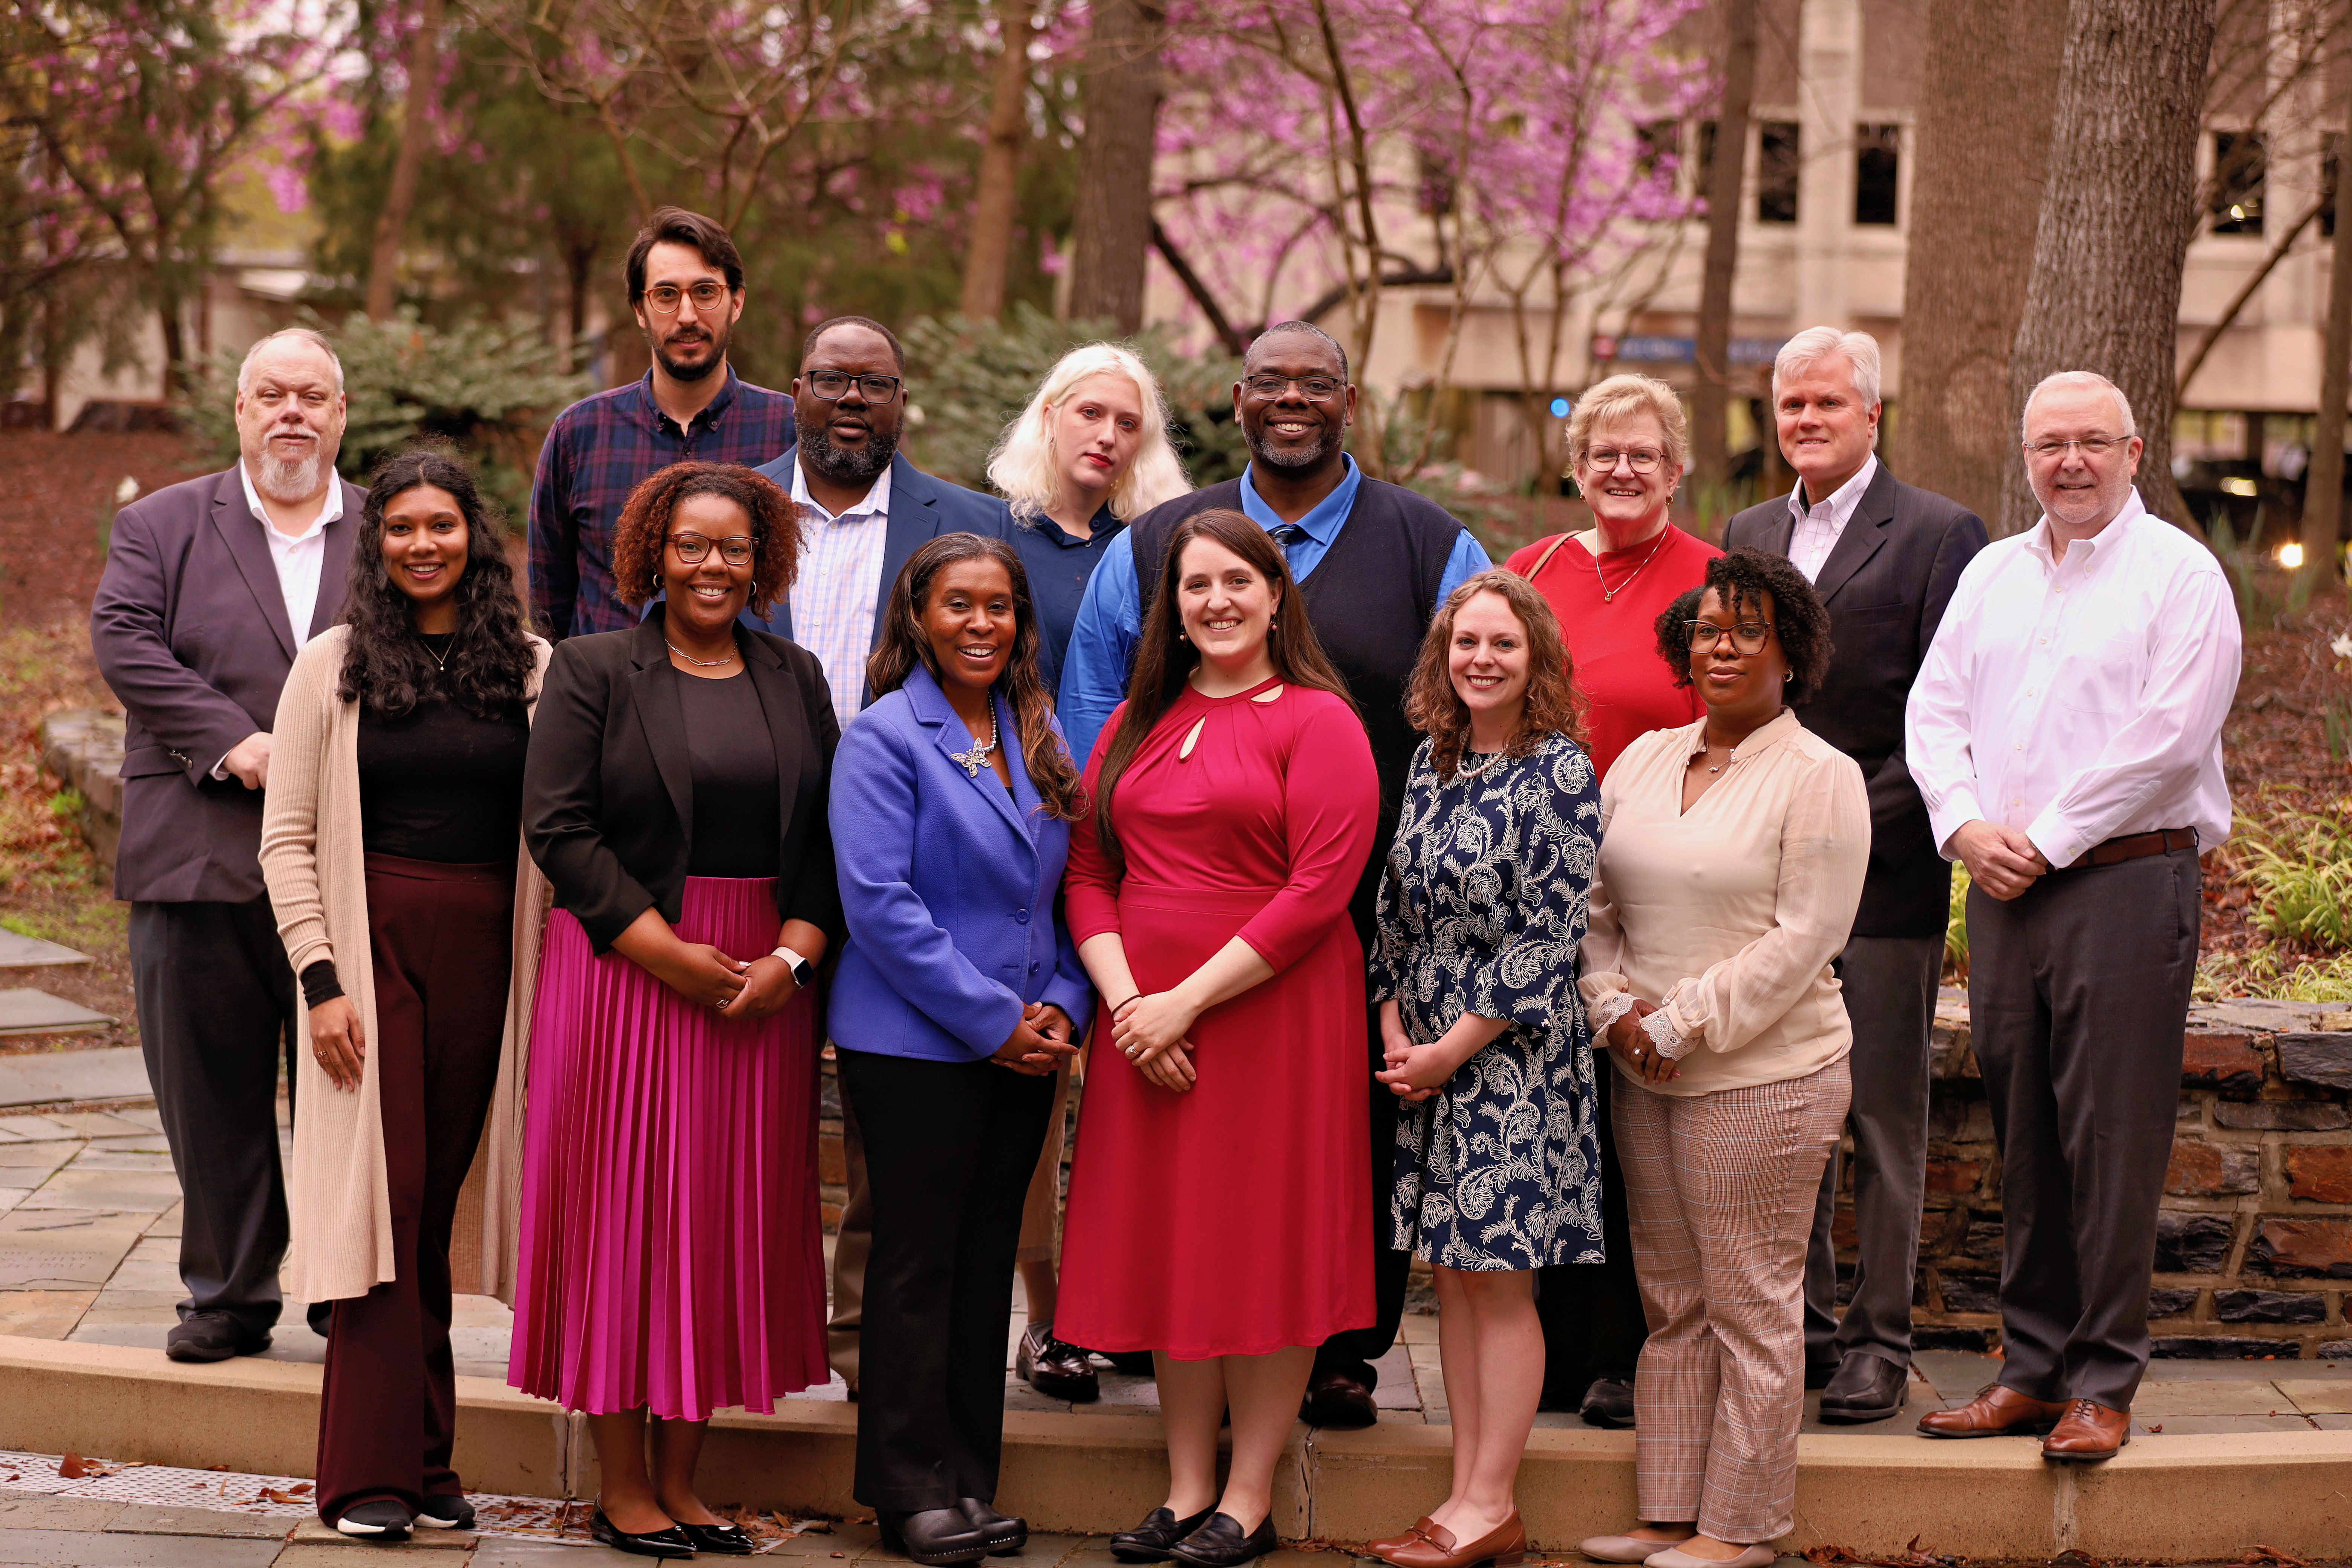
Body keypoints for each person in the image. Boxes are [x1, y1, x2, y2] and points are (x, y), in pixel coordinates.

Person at [1059, 320, 1490, 1428]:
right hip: (1167, 904)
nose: (1291, 400)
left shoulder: (1429, 542)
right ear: (1237, 401)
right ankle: (1186, 1331)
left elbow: (1483, 702)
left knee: (1346, 1130)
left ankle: (1346, 1347)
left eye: (1316, 383)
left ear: (1351, 402)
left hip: (1371, 902)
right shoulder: (1154, 543)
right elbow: (1093, 706)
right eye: (1270, 383)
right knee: (1195, 1141)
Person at [1906, 372, 2239, 1463]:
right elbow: (1936, 707)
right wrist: (1961, 824)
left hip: (2126, 883)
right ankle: (2033, 1371)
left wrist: (2045, 836)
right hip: (2003, 886)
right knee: (2028, 1141)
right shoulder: (1994, 574)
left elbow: (2169, 740)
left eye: (2093, 442)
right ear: (2027, 454)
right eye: (2051, 444)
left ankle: (2104, 1379)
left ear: (2135, 451)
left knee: (2113, 1137)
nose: (2071, 463)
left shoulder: (2180, 576)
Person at [511, 462, 840, 1560]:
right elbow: (558, 830)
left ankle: (687, 1481)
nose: (712, 566)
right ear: (654, 553)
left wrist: (790, 958)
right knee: (627, 1221)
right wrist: (670, 957)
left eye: (733, 548)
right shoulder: (597, 670)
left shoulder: (795, 677)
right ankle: (622, 1486)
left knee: (716, 1221)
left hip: (760, 991)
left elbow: (826, 845)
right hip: (627, 974)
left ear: (763, 561)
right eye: (691, 546)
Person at [1059, 510, 1379, 1567]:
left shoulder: (1320, 720)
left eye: (1237, 582)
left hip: (1270, 1017)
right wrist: (1127, 1007)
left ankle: (1248, 1498)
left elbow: (1320, 891)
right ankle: (1186, 1485)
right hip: (1143, 1021)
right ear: (1175, 609)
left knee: (1261, 1237)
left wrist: (1183, 1004)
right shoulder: (1135, 722)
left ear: (1276, 595)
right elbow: (1090, 873)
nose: (1217, 602)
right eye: (1196, 587)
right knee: (1173, 1242)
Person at [258, 449, 549, 1540]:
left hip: (487, 951)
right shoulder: (330, 665)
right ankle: (368, 1477)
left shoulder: (531, 668)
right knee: (385, 1199)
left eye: (442, 525)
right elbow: (285, 841)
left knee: (427, 1210)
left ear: (475, 536)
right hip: (365, 950)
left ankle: (428, 1463)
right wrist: (320, 979)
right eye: (399, 528)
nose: (422, 544)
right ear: (374, 544)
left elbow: (559, 832)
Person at [1575, 550, 1867, 1568]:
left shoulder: (1821, 776)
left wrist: (1681, 1022)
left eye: (1749, 628)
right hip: (1640, 1067)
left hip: (1763, 1074)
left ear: (1791, 649)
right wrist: (1615, 1012)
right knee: (1673, 1301)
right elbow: (1595, 910)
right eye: (1706, 629)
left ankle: (1740, 1528)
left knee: (1748, 1301)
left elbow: (1805, 938)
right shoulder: (1643, 761)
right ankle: (1666, 1513)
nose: (1724, 644)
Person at [1721, 328, 1988, 1424]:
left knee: (1879, 1119)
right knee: (1784, 1115)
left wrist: (1820, 821)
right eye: (1790, 405)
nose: (1806, 421)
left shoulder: (1937, 535)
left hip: (1881, 881)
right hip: (1759, 886)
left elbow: (1945, 717)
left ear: (1872, 415)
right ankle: (1806, 1333)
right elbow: (1733, 689)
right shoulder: (1745, 533)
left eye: (1828, 403)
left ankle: (1880, 1338)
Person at [750, 313, 1014, 1395]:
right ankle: (747, 1335)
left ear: (903, 401)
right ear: (796, 390)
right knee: (741, 1115)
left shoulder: (971, 521)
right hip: (750, 859)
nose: (852, 401)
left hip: (912, 856)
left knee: (886, 1135)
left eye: (875, 384)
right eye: (831, 381)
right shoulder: (732, 513)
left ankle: (866, 1354)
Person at [90, 326, 363, 1363]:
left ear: (342, 414)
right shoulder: (160, 525)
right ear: (240, 411)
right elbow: (125, 642)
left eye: (313, 396)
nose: (292, 412)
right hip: (196, 845)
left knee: (351, 1079)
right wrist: (233, 742)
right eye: (270, 395)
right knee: (209, 1082)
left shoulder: (389, 532)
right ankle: (231, 1292)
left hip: (351, 858)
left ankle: (348, 1286)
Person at [827, 534, 1093, 1564]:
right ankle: (905, 1488)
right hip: (917, 1046)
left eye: (1000, 607)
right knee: (916, 1264)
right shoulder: (886, 739)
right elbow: (881, 908)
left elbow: (1065, 891)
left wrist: (1064, 1005)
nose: (981, 623)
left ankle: (968, 1481)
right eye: (959, 606)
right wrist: (993, 1024)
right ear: (920, 620)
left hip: (1030, 1046)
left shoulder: (1038, 734)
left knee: (986, 1265)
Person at [1364, 570, 1602, 1568]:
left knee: (1500, 1283)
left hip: (1512, 1065)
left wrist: (1449, 1049)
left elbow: (1550, 937)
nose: (1483, 659)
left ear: (1537, 657)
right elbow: (1391, 910)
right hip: (1421, 1055)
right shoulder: (1433, 761)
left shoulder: (1563, 774)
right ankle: (1464, 1492)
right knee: (1452, 1278)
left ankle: (1491, 1501)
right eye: (1467, 643)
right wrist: (1391, 1031)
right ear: (1443, 655)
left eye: (1503, 644)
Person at [1503, 372, 1720, 1427]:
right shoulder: (1529, 573)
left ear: (1677, 469)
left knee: (1640, 1114)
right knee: (1556, 1118)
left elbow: (1734, 732)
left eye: (1644, 454)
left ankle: (1633, 1355)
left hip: (1655, 884)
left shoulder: (1713, 582)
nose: (1623, 470)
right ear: (1576, 466)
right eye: (1604, 453)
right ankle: (1554, 1339)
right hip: (1538, 885)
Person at [985, 341, 1190, 1400]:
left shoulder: (1160, 550)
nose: (1107, 438)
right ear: (1051, 414)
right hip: (1019, 836)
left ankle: (1137, 1303)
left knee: (1134, 1076)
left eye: (1129, 423)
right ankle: (1047, 1314)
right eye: (1091, 415)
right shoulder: (991, 536)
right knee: (1038, 1082)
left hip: (1131, 846)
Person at [527, 206, 796, 641]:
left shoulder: (789, 432)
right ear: (639, 308)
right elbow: (549, 602)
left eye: (705, 292)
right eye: (666, 294)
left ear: (737, 301)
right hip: (607, 702)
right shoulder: (578, 434)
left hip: (743, 698)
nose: (687, 315)